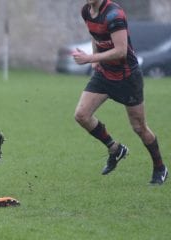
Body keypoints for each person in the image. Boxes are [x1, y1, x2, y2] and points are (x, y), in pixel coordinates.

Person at [72, 0, 168, 185]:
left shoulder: (114, 15)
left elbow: (121, 51)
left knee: (139, 127)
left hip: (127, 78)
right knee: (81, 115)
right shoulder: (86, 11)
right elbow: (96, 36)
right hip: (104, 75)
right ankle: (115, 149)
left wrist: (90, 58)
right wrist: (95, 61)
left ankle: (160, 167)